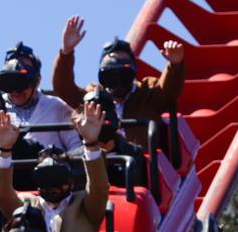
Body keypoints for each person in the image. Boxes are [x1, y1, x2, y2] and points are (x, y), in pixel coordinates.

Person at [0, 101, 108, 232]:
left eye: (59, 177)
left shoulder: (84, 205)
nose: (53, 186)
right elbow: (2, 196)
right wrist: (4, 150)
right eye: (45, 177)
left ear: (71, 180)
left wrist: (90, 143)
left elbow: (100, 188)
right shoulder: (26, 205)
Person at [52, 16, 185, 147]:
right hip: (102, 162)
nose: (118, 78)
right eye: (110, 73)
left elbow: (168, 90)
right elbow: (64, 88)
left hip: (140, 163)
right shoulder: (93, 97)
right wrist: (66, 52)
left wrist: (175, 64)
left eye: (124, 72)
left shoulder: (147, 92)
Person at [0, 42, 80, 153]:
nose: (15, 90)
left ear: (37, 81)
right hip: (9, 168)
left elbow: (76, 148)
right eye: (9, 82)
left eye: (22, 81)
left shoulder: (56, 106)